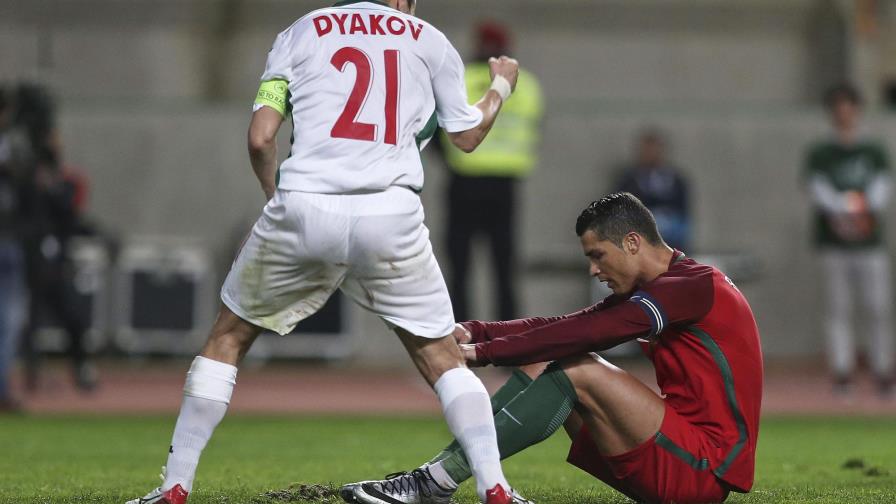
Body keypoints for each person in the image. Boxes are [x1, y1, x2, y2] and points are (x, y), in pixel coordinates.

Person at [128, 1, 524, 503]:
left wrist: (278, 203)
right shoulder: (428, 39)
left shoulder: (302, 30)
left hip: (304, 205)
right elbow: (467, 135)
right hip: (391, 214)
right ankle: (496, 489)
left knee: (227, 339)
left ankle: (174, 488)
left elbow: (260, 138)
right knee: (444, 358)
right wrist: (501, 86)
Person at [342, 193, 763, 504]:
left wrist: (484, 354)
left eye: (598, 255)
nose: (593, 269)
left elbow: (591, 333)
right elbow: (570, 324)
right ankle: (442, 479)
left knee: (578, 368)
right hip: (679, 456)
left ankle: (434, 481)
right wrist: (476, 332)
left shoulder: (692, 286)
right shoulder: (668, 284)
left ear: (633, 243)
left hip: (702, 470)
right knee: (553, 356)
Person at [439, 21, 543, 322]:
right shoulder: (529, 85)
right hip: (505, 185)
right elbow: (535, 129)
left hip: (464, 181)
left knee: (460, 267)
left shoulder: (462, 78)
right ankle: (509, 336)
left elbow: (440, 131)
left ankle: (460, 335)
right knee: (504, 267)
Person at [804, 83, 894, 397]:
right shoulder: (820, 151)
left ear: (857, 110)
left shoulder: (873, 149)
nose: (844, 114)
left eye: (849, 107)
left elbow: (882, 188)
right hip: (833, 242)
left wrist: (862, 211)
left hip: (870, 243)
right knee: (838, 308)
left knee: (877, 306)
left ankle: (883, 371)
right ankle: (842, 372)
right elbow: (818, 189)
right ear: (832, 113)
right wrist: (844, 210)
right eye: (838, 108)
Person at [614, 127, 691, 252]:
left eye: (654, 150)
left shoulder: (675, 179)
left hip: (670, 232)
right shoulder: (628, 180)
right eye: (646, 150)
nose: (650, 154)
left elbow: (682, 210)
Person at [0, 87, 28, 411]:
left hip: (9, 239)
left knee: (10, 319)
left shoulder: (15, 147)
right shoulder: (12, 146)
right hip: (7, 240)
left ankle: (3, 387)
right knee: (8, 319)